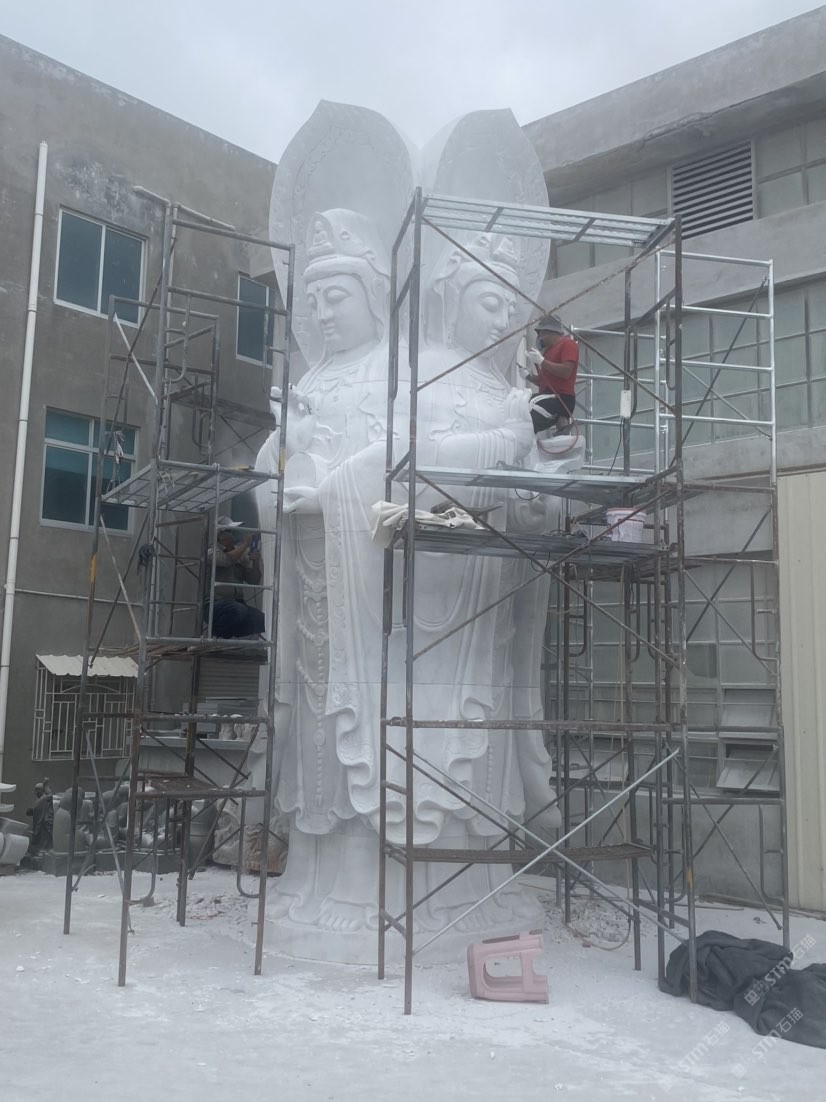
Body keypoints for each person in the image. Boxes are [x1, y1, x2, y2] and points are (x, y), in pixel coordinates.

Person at [206, 517, 265, 639]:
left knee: (261, 620)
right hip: (215, 604)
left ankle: (228, 634)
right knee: (238, 610)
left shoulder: (239, 554)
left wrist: (255, 562)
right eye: (230, 531)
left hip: (237, 604)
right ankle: (217, 635)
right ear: (221, 535)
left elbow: (253, 580)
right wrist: (245, 544)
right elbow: (226, 560)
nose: (234, 535)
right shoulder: (211, 552)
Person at [526, 315, 579, 436]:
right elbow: (544, 381)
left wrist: (542, 361)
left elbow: (566, 372)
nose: (540, 338)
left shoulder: (568, 344)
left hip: (560, 398)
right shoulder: (548, 352)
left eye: (541, 334)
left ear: (549, 332)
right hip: (549, 396)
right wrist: (528, 376)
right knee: (522, 409)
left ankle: (562, 427)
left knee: (526, 407)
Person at [25, 780, 54, 852]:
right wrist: (33, 811)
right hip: (42, 827)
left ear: (41, 791)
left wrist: (35, 832)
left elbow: (40, 817)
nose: (35, 793)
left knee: (42, 847)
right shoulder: (42, 799)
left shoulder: (42, 799)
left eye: (36, 791)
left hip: (42, 827)